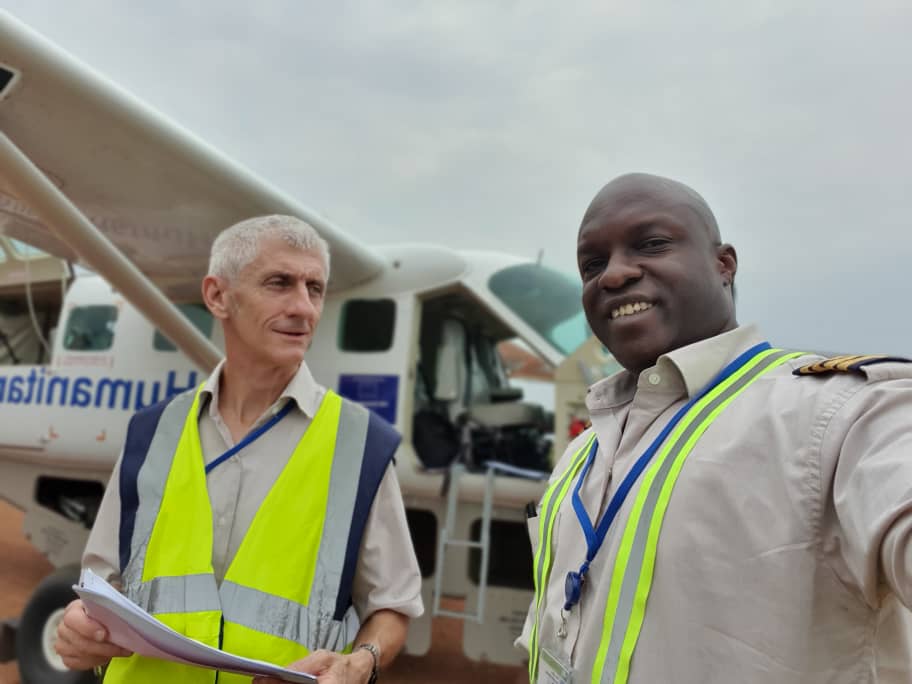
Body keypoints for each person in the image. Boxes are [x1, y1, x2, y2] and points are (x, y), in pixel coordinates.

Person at [516, 173, 912, 683]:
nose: (612, 275)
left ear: (723, 264)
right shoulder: (582, 455)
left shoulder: (841, 413)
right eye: (593, 264)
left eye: (651, 244)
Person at [54, 215, 423, 683]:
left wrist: (361, 661)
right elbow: (104, 589)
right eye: (279, 283)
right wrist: (80, 629)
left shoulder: (361, 444)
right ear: (217, 296)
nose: (304, 308)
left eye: (315, 288)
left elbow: (392, 606)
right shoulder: (152, 433)